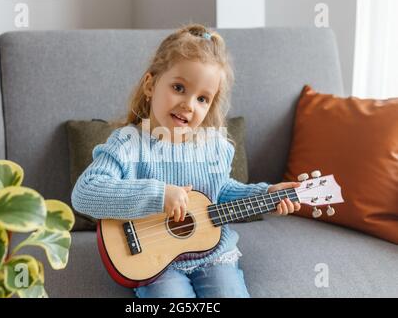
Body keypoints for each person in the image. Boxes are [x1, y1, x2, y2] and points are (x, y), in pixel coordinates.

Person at [71, 23, 301, 298]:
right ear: (150, 85)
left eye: (203, 98)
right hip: (154, 262)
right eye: (179, 87)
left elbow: (219, 192)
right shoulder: (129, 143)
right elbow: (85, 193)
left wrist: (266, 195)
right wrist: (159, 194)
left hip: (213, 256)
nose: (189, 105)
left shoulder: (214, 146)